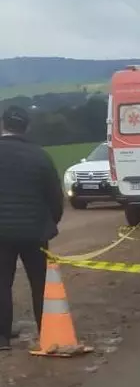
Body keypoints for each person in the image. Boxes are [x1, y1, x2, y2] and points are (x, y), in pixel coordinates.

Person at [0, 106, 64, 351]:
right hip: (35, 232)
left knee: (2, 283)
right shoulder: (40, 156)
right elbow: (55, 198)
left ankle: (2, 337)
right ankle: (47, 331)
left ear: (3, 124)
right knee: (40, 283)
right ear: (27, 126)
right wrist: (49, 224)